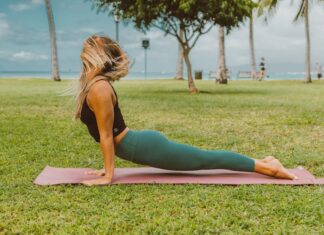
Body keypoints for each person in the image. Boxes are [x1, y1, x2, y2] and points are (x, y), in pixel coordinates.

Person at [75, 35, 298, 186]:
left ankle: (270, 169)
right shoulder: (94, 86)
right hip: (137, 146)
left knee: (207, 159)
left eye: (87, 51)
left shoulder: (100, 89)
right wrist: (106, 170)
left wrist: (109, 175)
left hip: (144, 147)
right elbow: (107, 134)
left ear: (95, 56)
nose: (83, 53)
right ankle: (267, 162)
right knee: (206, 158)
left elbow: (107, 135)